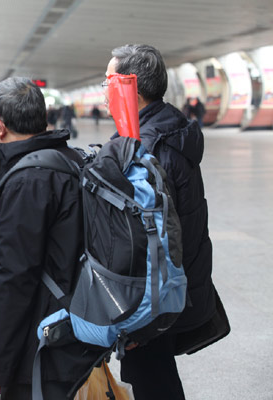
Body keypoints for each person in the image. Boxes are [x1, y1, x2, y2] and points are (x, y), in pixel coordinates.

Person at [0, 77, 104, 399]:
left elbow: (14, 279)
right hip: (71, 322)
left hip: (40, 339)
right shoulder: (67, 158)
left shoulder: (27, 180)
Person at [105, 44, 216, 400]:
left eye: (109, 81)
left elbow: (147, 239)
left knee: (154, 379)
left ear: (130, 87)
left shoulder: (147, 148)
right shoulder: (170, 126)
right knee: (154, 374)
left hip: (156, 292)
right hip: (177, 280)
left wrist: (133, 309)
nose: (105, 90)